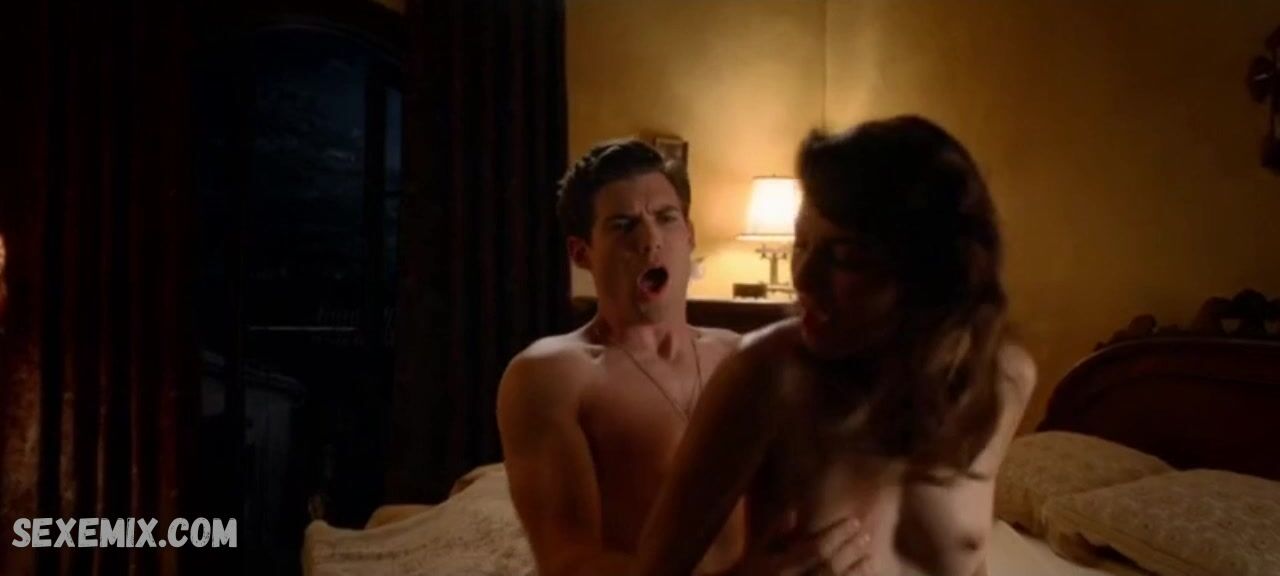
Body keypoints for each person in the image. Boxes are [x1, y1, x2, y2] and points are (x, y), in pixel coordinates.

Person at [633, 116, 1037, 576]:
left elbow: (972, 560)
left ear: (932, 269)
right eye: (801, 244)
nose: (804, 278)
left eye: (846, 257)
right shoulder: (767, 377)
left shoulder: (1002, 377)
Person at [497, 139, 875, 576]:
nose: (650, 240)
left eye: (666, 218)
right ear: (582, 253)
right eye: (623, 225)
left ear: (689, 235)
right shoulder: (553, 374)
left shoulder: (745, 357)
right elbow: (567, 562)